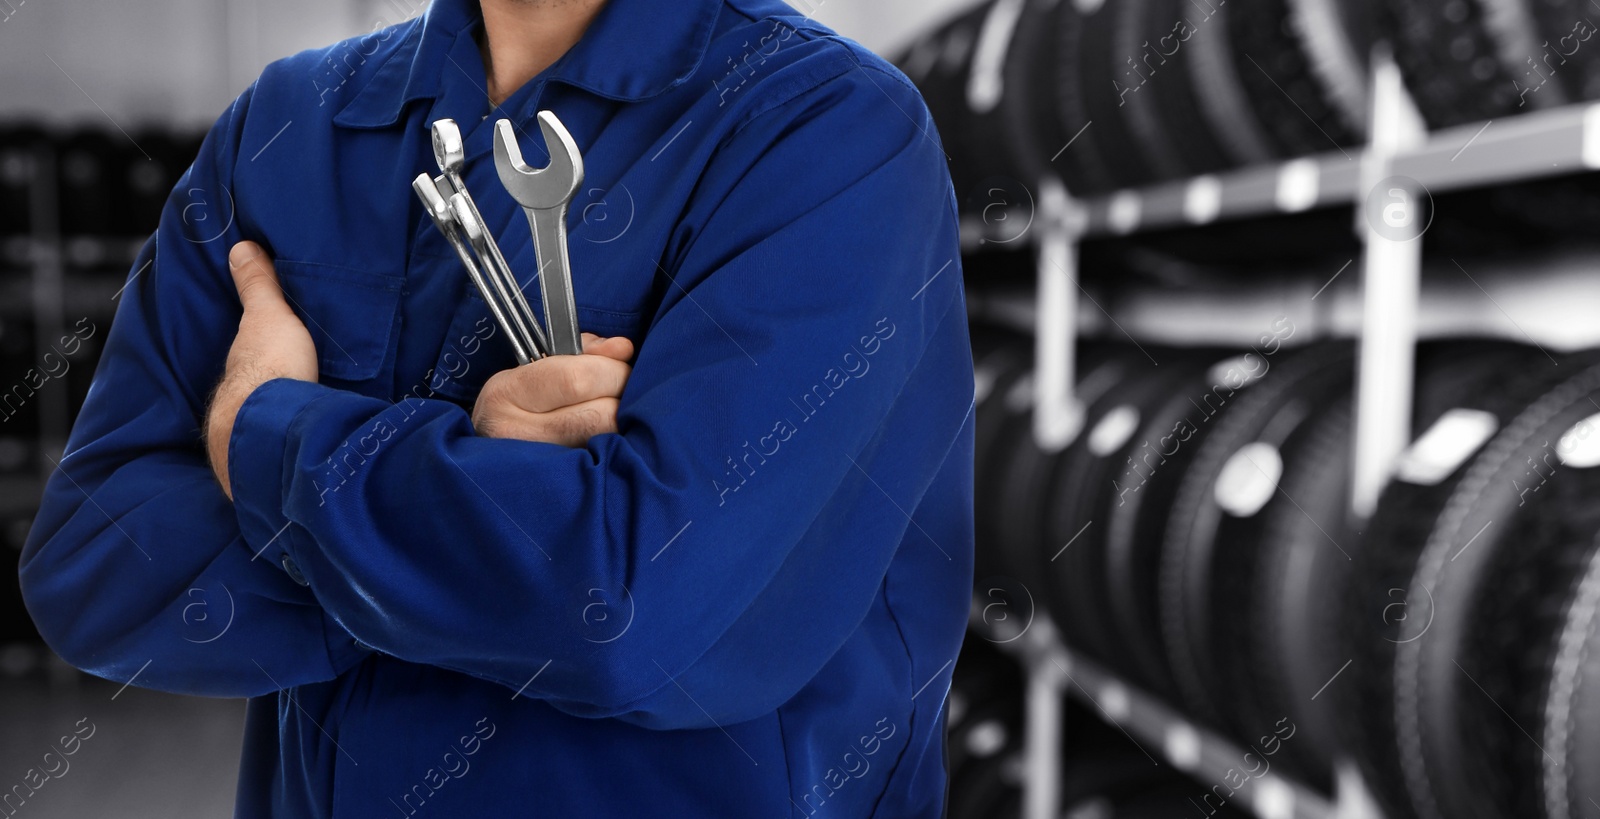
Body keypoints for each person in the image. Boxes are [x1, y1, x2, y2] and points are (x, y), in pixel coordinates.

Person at [20, 0, 974, 815]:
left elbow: (628, 611)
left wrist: (269, 438)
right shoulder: (286, 126)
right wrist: (481, 520)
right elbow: (92, 562)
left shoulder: (826, 132)